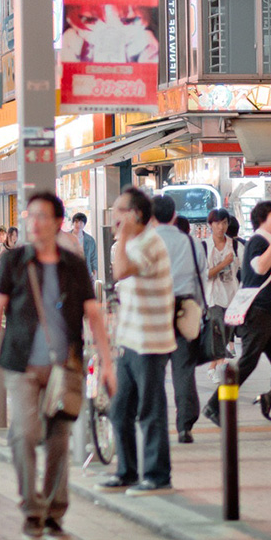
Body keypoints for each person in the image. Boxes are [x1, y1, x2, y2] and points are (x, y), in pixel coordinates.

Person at [0, 192, 116, 540]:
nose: (34, 222)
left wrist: (107, 363)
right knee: (24, 434)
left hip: (65, 364)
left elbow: (93, 312)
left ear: (58, 223)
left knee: (59, 439)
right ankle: (31, 508)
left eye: (42, 216)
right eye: (31, 216)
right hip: (21, 365)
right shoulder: (14, 262)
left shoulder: (72, 265)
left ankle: (54, 514)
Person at [102, 186, 175, 494]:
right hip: (129, 341)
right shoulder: (132, 242)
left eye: (119, 210)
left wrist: (120, 237)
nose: (114, 216)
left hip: (150, 342)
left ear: (135, 214)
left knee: (150, 410)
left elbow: (120, 271)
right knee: (120, 409)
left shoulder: (149, 242)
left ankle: (158, 476)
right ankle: (127, 471)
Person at [213, 199, 271, 426]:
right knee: (247, 363)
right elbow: (259, 267)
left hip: (268, 314)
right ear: (263, 219)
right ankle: (215, 406)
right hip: (257, 313)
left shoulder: (268, 241)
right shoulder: (258, 241)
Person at [150, 194, 205, 445]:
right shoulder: (191, 243)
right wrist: (200, 312)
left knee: (154, 371)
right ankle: (185, 426)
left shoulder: (146, 242)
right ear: (174, 215)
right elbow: (200, 280)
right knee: (184, 370)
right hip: (185, 309)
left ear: (151, 217)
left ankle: (156, 424)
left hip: (154, 311)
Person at [203, 209, 239, 315]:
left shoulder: (236, 246)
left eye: (224, 223)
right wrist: (224, 263)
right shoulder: (204, 247)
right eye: (217, 223)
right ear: (210, 224)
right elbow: (204, 275)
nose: (221, 227)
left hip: (233, 300)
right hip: (212, 301)